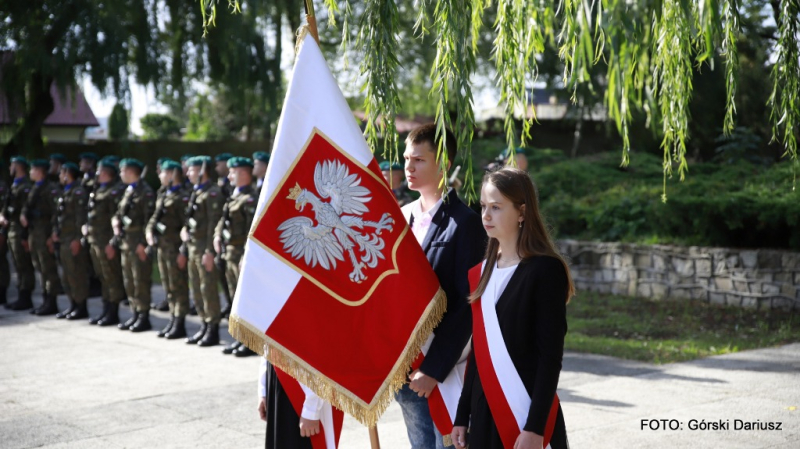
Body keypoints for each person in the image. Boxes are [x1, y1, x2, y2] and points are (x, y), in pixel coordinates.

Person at [451, 167, 573, 449]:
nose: (485, 215)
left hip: (526, 412)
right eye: (483, 206)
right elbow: (478, 355)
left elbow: (549, 357)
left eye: (496, 207)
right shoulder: (480, 273)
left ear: (522, 212)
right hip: (484, 412)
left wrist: (535, 428)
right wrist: (462, 415)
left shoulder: (545, 270)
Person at [396, 123, 486, 448]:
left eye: (418, 159)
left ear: (444, 163)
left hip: (441, 371)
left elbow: (466, 304)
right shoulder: (399, 217)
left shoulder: (466, 223)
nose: (408, 167)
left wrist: (434, 368)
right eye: (407, 158)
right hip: (404, 366)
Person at [215, 156, 258, 357]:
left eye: (232, 172)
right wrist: (217, 236)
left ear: (243, 174)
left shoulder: (250, 198)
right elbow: (222, 221)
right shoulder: (234, 195)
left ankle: (248, 342)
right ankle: (238, 338)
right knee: (234, 299)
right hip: (229, 253)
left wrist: (245, 257)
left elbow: (253, 230)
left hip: (241, 254)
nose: (229, 175)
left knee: (245, 300)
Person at [181, 156, 224, 347]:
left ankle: (213, 328)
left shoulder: (212, 193)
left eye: (192, 169)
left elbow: (212, 226)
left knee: (208, 289)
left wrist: (209, 252)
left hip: (203, 249)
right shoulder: (196, 192)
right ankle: (204, 324)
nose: (188, 173)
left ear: (202, 171)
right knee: (197, 289)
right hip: (193, 247)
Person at [146, 160, 191, 339]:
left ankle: (179, 322)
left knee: (178, 285)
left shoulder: (182, 196)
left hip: (174, 248)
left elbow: (187, 225)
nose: (159, 175)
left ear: (172, 174)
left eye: (163, 173)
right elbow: (155, 218)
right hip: (163, 247)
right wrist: (150, 232)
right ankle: (173, 318)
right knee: (168, 285)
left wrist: (183, 251)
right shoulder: (163, 193)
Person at [113, 158, 155, 332]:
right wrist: (115, 222)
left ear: (131, 172)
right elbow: (119, 213)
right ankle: (135, 313)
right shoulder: (128, 190)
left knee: (140, 281)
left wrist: (143, 243)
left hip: (137, 243)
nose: (121, 174)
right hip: (126, 243)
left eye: (123, 171)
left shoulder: (145, 192)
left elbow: (149, 219)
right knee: (129, 280)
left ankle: (143, 316)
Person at [85, 158, 126, 326]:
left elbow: (115, 219)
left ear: (105, 173)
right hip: (96, 241)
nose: (96, 175)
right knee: (103, 277)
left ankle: (113, 311)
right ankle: (106, 308)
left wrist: (112, 243)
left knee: (111, 277)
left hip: (106, 242)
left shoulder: (113, 192)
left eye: (99, 172)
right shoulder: (98, 190)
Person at [21, 159, 63, 316]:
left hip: (45, 233)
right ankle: (45, 300)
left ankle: (51, 302)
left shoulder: (50, 189)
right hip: (34, 232)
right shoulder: (35, 188)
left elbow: (56, 213)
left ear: (40, 172)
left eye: (33, 170)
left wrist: (53, 235)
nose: (30, 173)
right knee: (40, 268)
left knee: (48, 269)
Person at [53, 162, 91, 320]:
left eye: (62, 173)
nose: (60, 176)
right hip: (63, 239)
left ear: (68, 174)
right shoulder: (65, 191)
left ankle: (81, 306)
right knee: (67, 275)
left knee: (77, 274)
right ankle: (73, 304)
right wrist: (55, 232)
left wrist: (78, 239)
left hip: (72, 239)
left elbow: (81, 218)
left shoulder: (78, 192)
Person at [2, 157, 36, 310]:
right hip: (11, 229)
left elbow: (25, 212)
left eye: (12, 165)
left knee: (24, 264)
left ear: (18, 166)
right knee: (17, 264)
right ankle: (20, 295)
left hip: (19, 230)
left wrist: (24, 235)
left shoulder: (25, 187)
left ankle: (25, 296)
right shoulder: (14, 185)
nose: (10, 167)